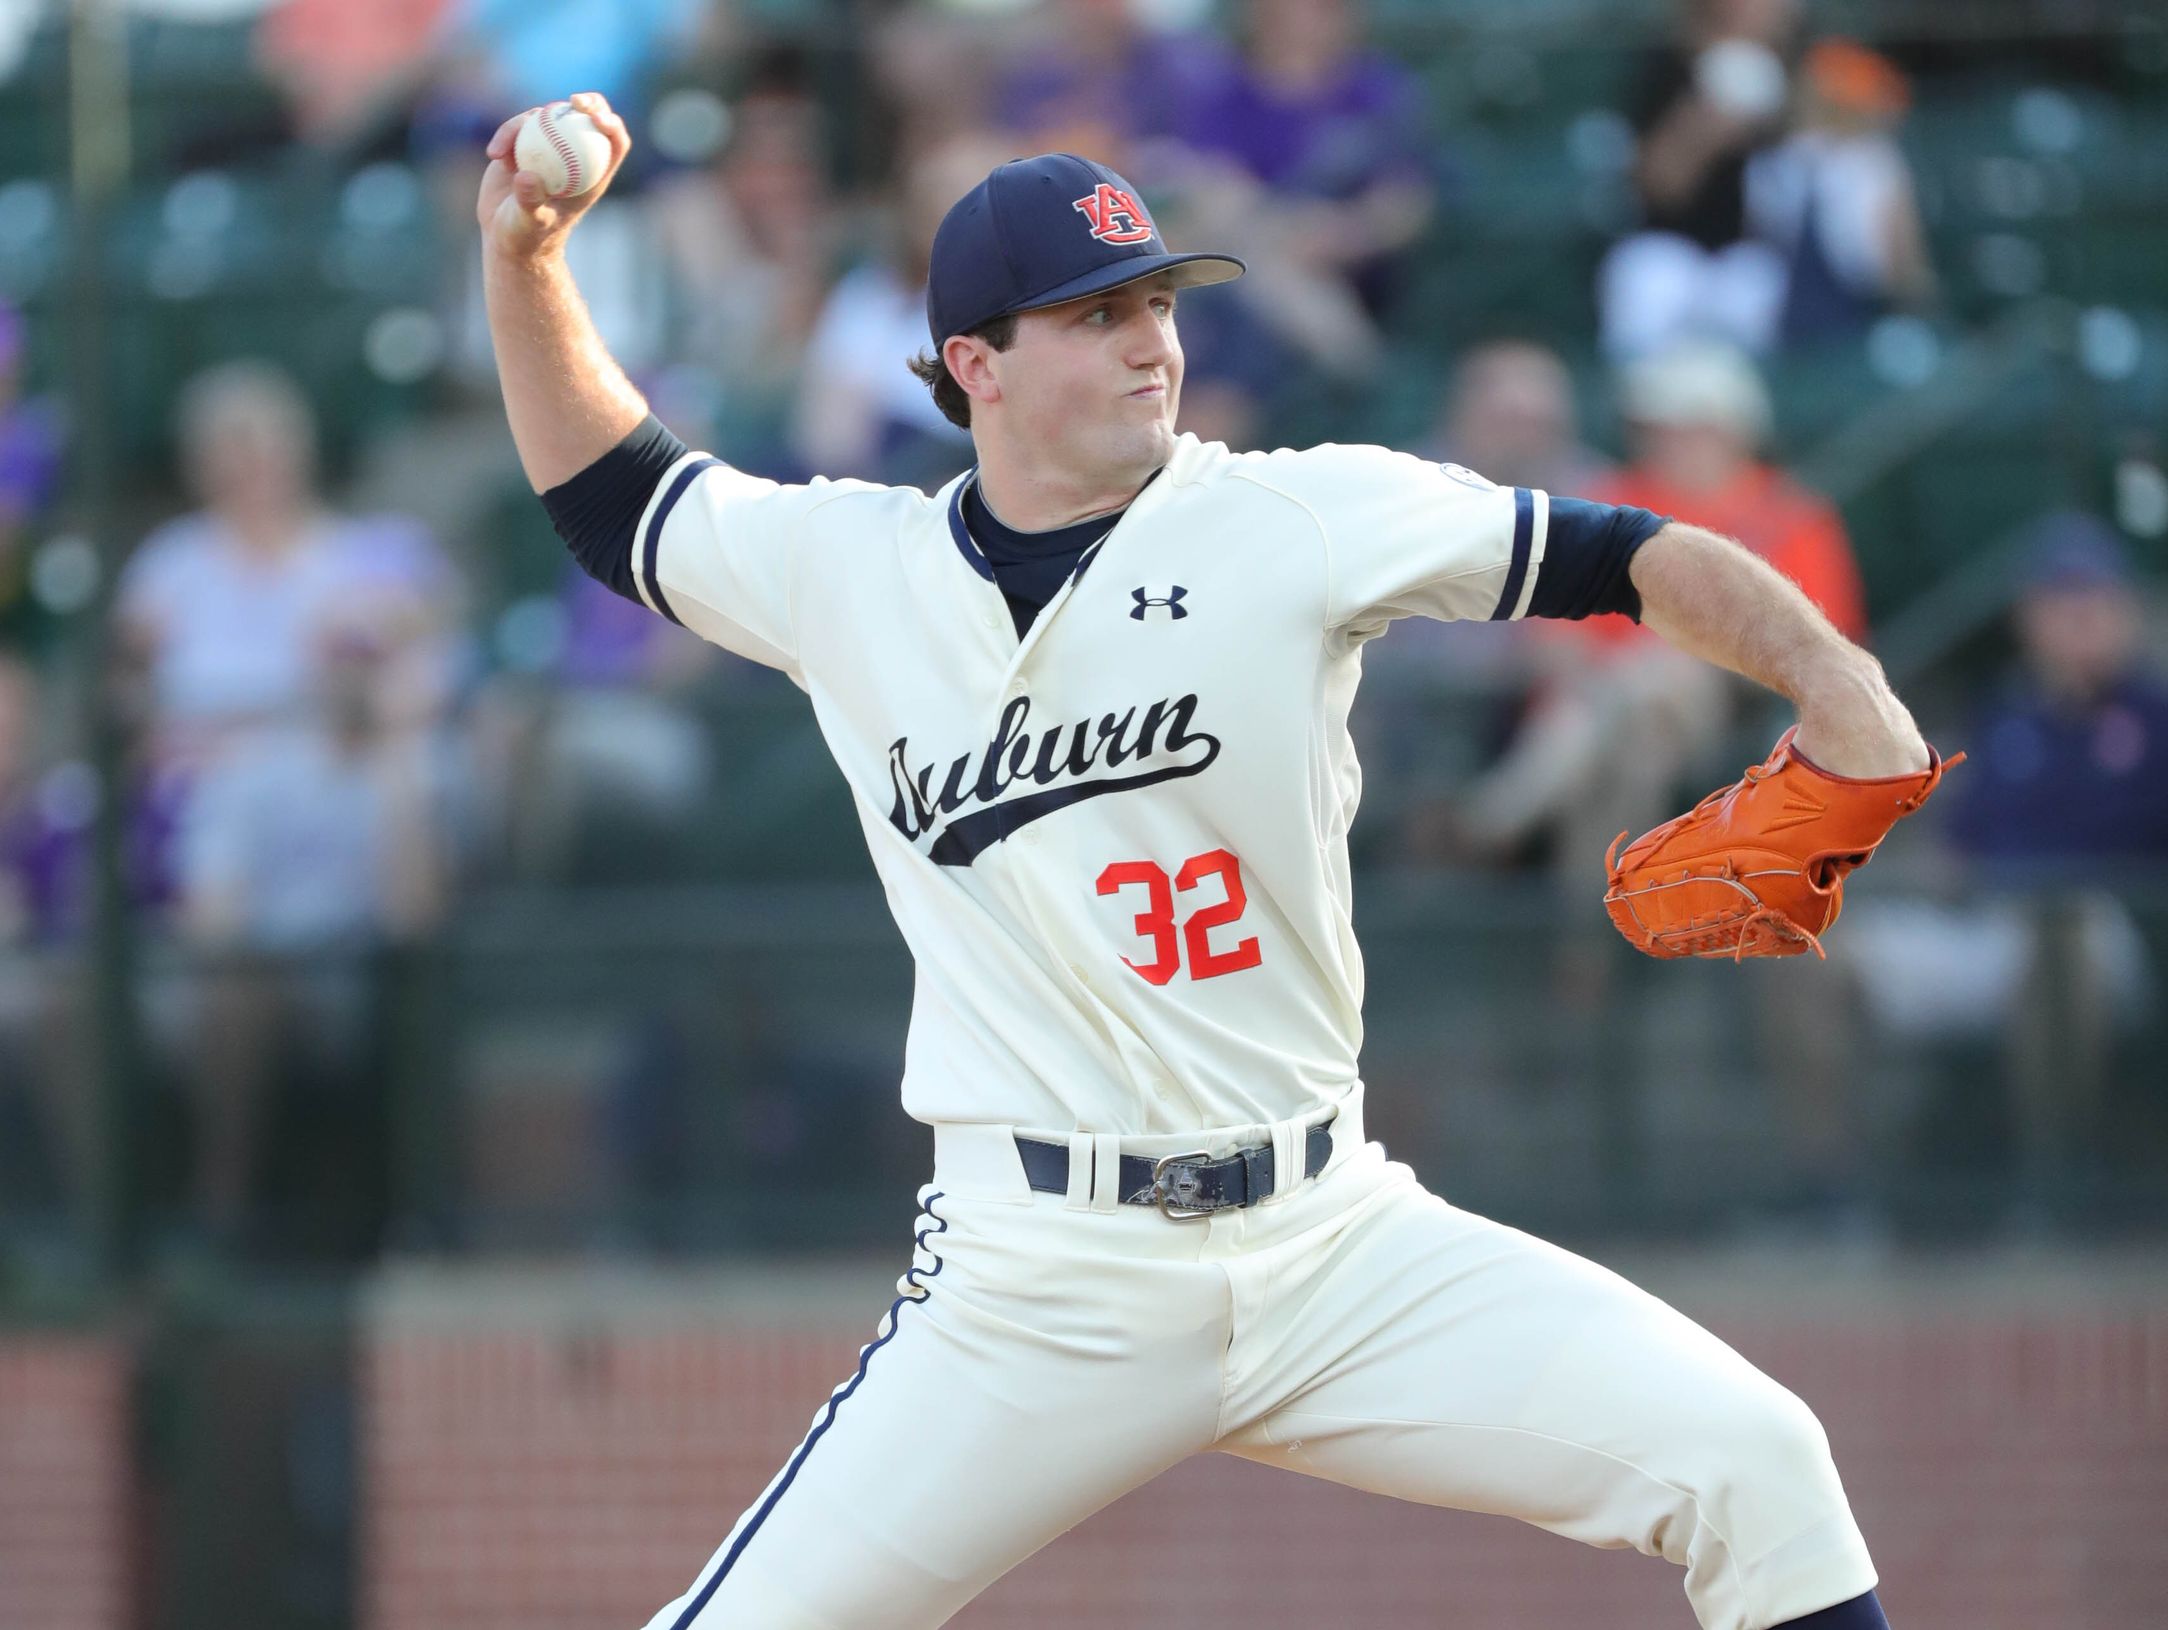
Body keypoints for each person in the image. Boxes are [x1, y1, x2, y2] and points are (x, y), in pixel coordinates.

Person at [479, 95, 1931, 1630]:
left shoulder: (1293, 518)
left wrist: (1841, 686)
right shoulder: (851, 572)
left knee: (1759, 1461)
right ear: (974, 362)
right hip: (1037, 1283)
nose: (1150, 341)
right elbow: (613, 495)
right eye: (1097, 314)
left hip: (1333, 1239)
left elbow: (1623, 550)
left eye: (1161, 301)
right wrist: (527, 259)